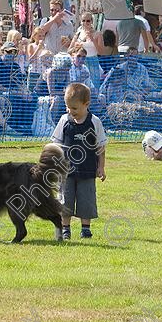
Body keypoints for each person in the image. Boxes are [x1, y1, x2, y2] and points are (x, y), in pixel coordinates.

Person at [51, 83, 106, 240]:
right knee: (65, 200)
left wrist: (101, 167)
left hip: (88, 170)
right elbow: (56, 144)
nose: (70, 111)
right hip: (65, 172)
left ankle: (85, 229)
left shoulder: (94, 122)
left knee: (86, 200)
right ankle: (65, 228)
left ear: (86, 104)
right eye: (68, 107)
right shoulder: (64, 120)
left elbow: (101, 147)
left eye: (74, 108)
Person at [69, 12, 103, 88]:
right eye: (83, 20)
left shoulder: (98, 34)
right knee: (81, 86)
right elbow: (69, 50)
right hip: (80, 62)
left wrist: (93, 40)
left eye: (88, 21)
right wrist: (76, 47)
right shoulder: (78, 33)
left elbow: (101, 52)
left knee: (94, 86)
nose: (85, 23)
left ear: (92, 21)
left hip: (93, 61)